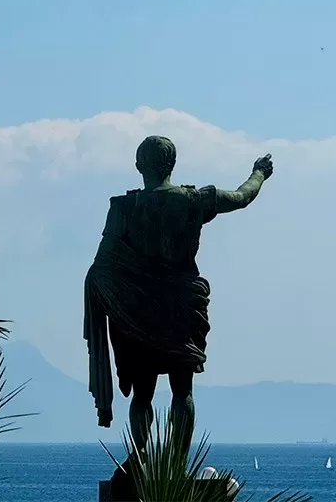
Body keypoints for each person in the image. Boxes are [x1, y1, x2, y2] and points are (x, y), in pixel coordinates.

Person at [84, 135, 274, 457]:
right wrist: (259, 172)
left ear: (138, 165)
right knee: (182, 389)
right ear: (172, 165)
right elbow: (242, 197)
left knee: (142, 394)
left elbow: (103, 262)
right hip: (181, 309)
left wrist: (99, 288)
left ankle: (140, 457)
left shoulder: (123, 208)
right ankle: (176, 464)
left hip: (138, 313)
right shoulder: (193, 200)